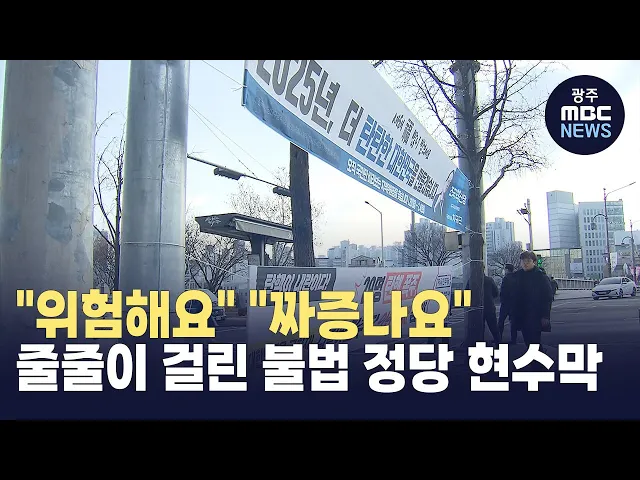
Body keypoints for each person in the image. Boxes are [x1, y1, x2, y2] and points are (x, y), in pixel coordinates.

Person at [510, 251, 554, 347]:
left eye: (528, 261)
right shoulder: (517, 276)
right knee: (527, 340)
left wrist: (545, 316)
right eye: (523, 261)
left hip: (535, 314)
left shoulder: (540, 276)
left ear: (534, 262)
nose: (525, 263)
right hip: (521, 314)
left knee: (534, 341)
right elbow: (513, 296)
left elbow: (547, 297)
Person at [466, 265, 501, 345]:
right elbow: (496, 293)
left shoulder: (471, 280)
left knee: (479, 328)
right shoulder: (489, 280)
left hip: (477, 308)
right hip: (489, 306)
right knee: (494, 327)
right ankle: (498, 344)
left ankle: (480, 345)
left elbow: (466, 294)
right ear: (484, 269)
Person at [498, 263, 517, 344]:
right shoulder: (516, 278)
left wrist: (502, 299)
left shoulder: (506, 278)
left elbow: (503, 291)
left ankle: (498, 338)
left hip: (506, 303)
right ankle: (513, 339)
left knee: (501, 321)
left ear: (507, 270)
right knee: (513, 322)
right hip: (514, 303)